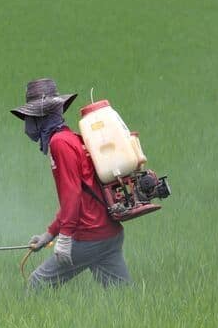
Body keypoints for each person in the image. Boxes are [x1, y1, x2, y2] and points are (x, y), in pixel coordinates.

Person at [12, 78, 131, 289]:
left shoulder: (59, 144)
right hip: (108, 233)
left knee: (36, 286)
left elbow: (72, 195)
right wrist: (49, 234)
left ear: (41, 119)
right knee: (122, 296)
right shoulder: (70, 138)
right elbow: (81, 195)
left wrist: (65, 237)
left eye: (30, 119)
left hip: (90, 236)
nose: (27, 125)